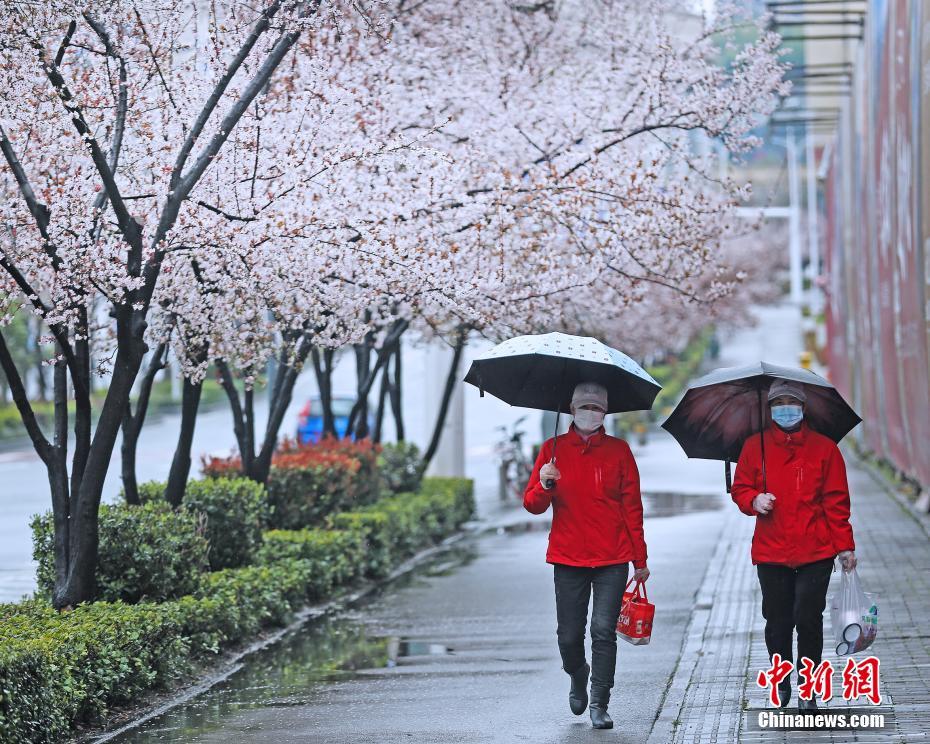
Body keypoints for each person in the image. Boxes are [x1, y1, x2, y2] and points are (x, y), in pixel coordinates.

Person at [523, 381, 649, 730]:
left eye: (597, 408)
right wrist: (544, 484)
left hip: (612, 556)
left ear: (604, 413)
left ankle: (599, 701)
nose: (591, 413)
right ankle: (578, 674)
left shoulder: (620, 451)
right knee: (568, 635)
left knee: (603, 631)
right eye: (585, 407)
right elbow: (532, 505)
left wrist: (639, 560)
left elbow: (632, 507)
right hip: (568, 557)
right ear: (572, 410)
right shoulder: (552, 450)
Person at [731, 378, 857, 711]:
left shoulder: (824, 449)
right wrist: (754, 499)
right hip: (772, 552)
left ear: (803, 408)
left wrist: (845, 546)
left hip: (815, 550)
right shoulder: (753, 447)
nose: (785, 409)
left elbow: (836, 502)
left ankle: (809, 686)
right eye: (778, 403)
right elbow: (740, 487)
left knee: (808, 618)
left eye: (792, 403)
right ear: (769, 409)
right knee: (777, 620)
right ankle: (782, 677)